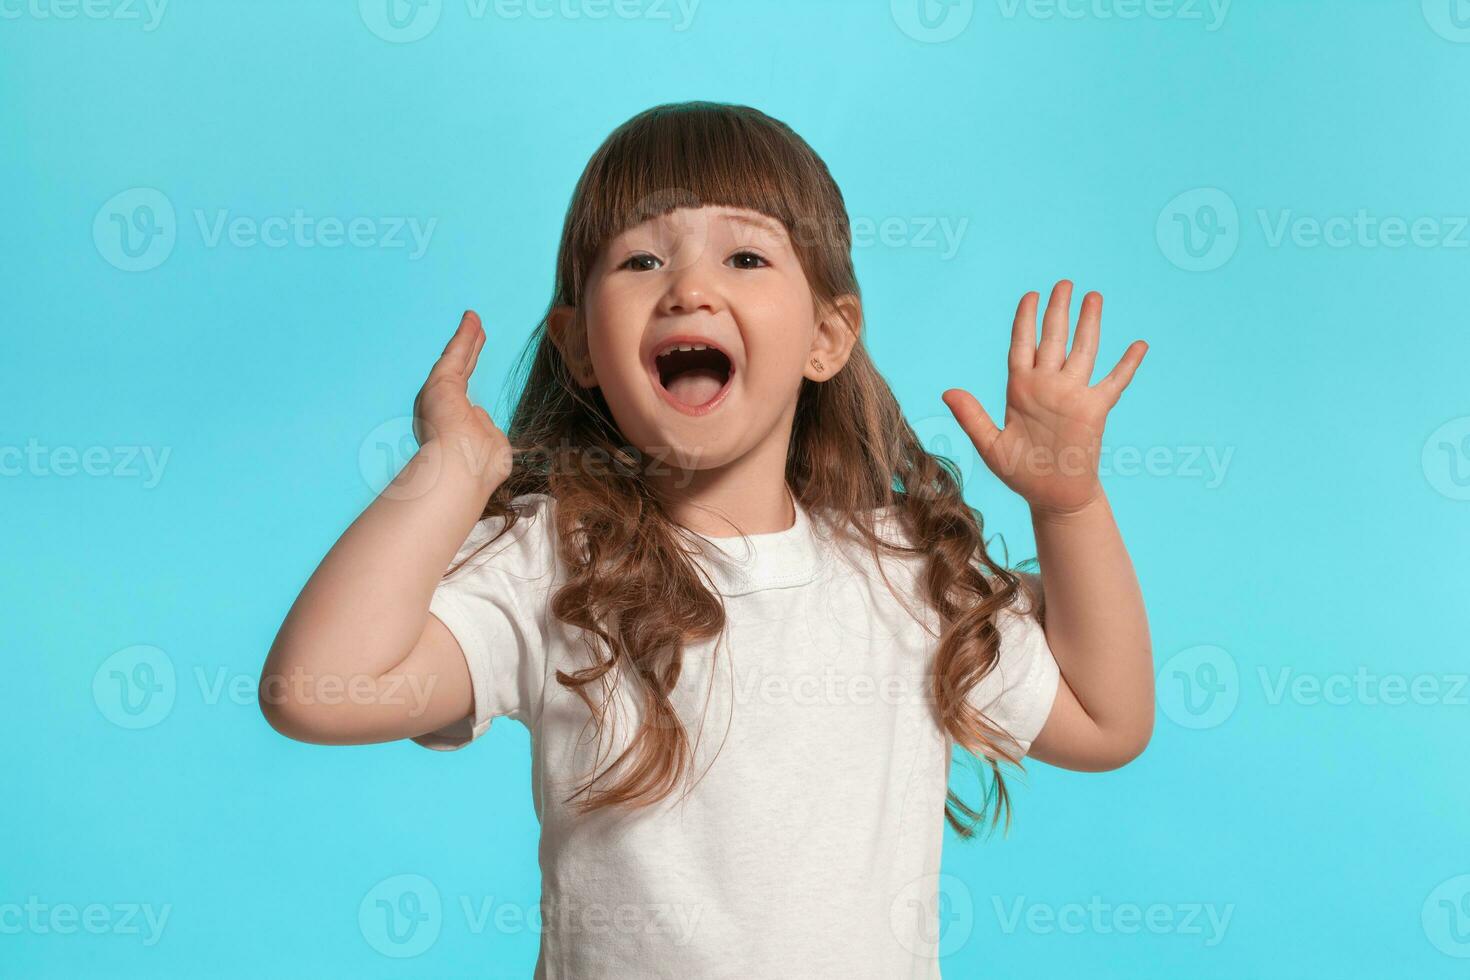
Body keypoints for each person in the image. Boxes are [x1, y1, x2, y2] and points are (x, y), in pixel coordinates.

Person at [259, 100, 1155, 978]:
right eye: (642, 258)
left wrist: (1067, 507)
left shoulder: (901, 575)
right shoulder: (551, 565)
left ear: (826, 336)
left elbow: (1107, 721)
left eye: (746, 255)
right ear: (577, 348)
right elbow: (314, 692)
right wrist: (451, 467)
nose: (690, 288)